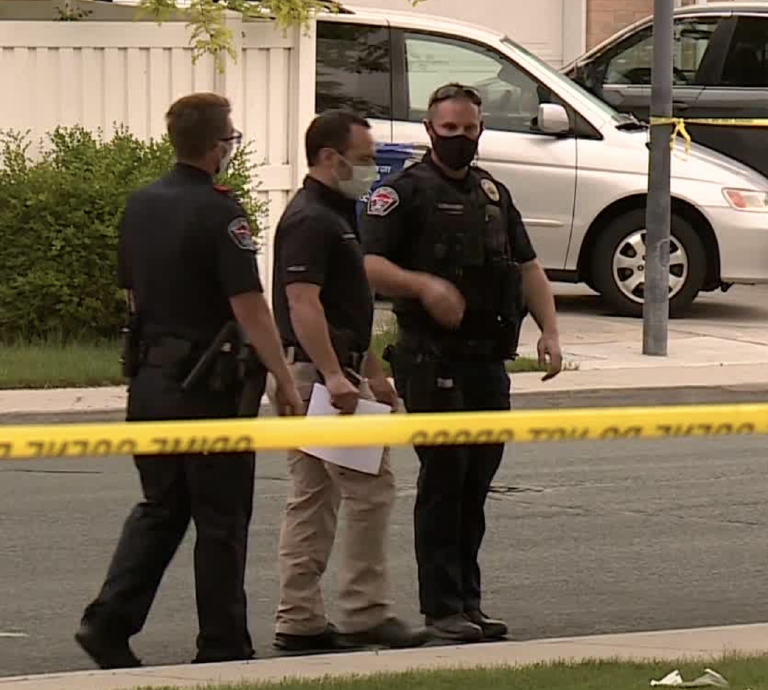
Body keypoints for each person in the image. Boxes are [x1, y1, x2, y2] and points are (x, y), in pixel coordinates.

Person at [76, 92, 304, 669]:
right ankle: (223, 645)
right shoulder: (220, 212)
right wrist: (284, 377)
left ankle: (108, 623)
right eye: (231, 138)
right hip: (208, 391)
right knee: (221, 518)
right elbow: (250, 307)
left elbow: (133, 294)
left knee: (162, 505)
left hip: (151, 382)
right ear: (217, 146)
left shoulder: (140, 204)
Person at [360, 82, 564, 643]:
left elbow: (527, 267)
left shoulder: (493, 194)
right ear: (430, 131)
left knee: (476, 483)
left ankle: (468, 603)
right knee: (444, 480)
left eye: (468, 129)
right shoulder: (402, 193)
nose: (459, 139)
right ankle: (441, 608)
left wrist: (549, 330)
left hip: (486, 361)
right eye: (449, 130)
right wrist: (423, 285)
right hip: (431, 360)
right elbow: (367, 264)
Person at [267, 109, 431, 654]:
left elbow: (347, 307)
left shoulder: (333, 214)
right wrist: (338, 377)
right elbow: (302, 302)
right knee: (369, 490)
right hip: (324, 377)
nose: (370, 169)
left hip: (328, 371)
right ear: (330, 158)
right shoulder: (313, 219)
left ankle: (300, 618)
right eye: (362, 160)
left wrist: (374, 374)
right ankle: (364, 612)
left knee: (312, 497)